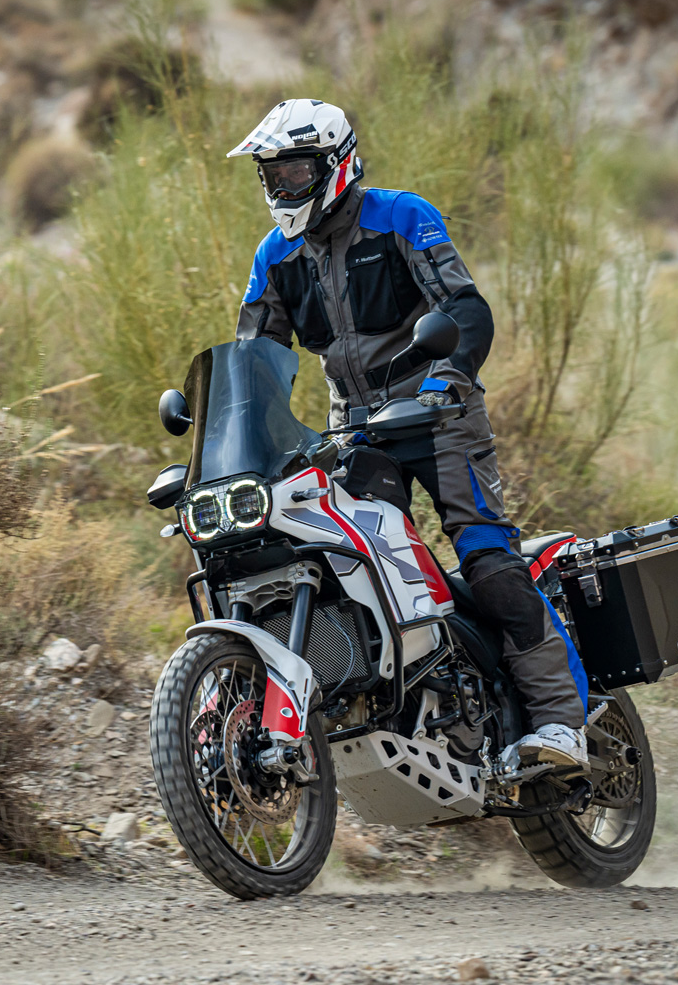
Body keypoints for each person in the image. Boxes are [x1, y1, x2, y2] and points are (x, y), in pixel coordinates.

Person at [229, 98, 590, 770]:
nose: (283, 186)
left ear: (334, 165)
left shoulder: (401, 216)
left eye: (295, 172)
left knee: (486, 561)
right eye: (273, 175)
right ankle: (417, 702)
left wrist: (447, 378)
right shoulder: (275, 255)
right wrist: (239, 433)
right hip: (355, 432)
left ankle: (560, 723)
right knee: (347, 563)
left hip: (438, 415)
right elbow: (253, 359)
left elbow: (465, 308)